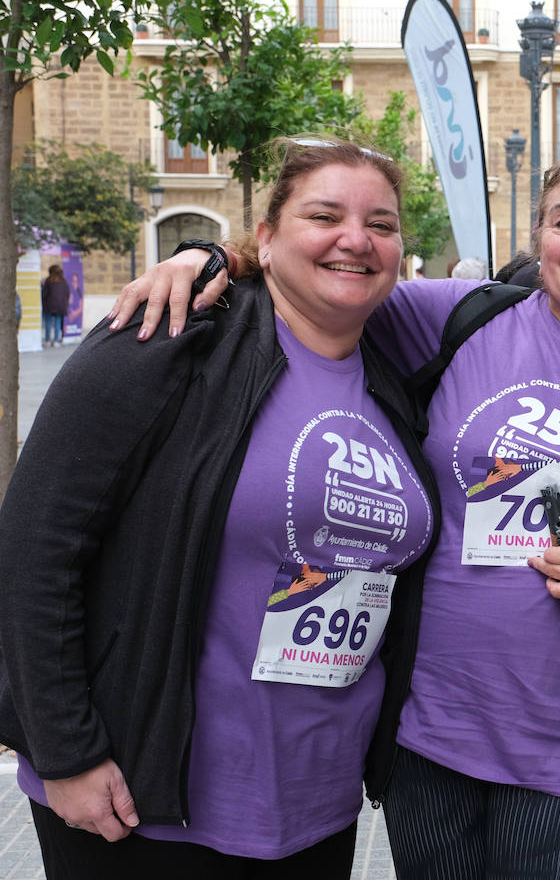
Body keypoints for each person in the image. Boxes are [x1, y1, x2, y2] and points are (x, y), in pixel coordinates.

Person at [109, 152, 560, 879]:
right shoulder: (457, 317)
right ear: (538, 241)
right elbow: (322, 274)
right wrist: (209, 257)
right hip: (424, 728)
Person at [0, 135, 440, 877]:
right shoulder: (167, 337)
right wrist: (64, 749)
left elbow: (532, 287)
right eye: (323, 215)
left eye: (383, 225)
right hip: (143, 804)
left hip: (313, 802)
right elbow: (35, 550)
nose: (356, 239)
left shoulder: (396, 378)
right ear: (264, 240)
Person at [40, 264, 69, 347]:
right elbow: (67, 294)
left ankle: (47, 341)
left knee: (48, 323)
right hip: (60, 306)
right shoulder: (64, 281)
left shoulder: (48, 281)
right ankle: (56, 341)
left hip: (49, 305)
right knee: (57, 323)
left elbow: (44, 294)